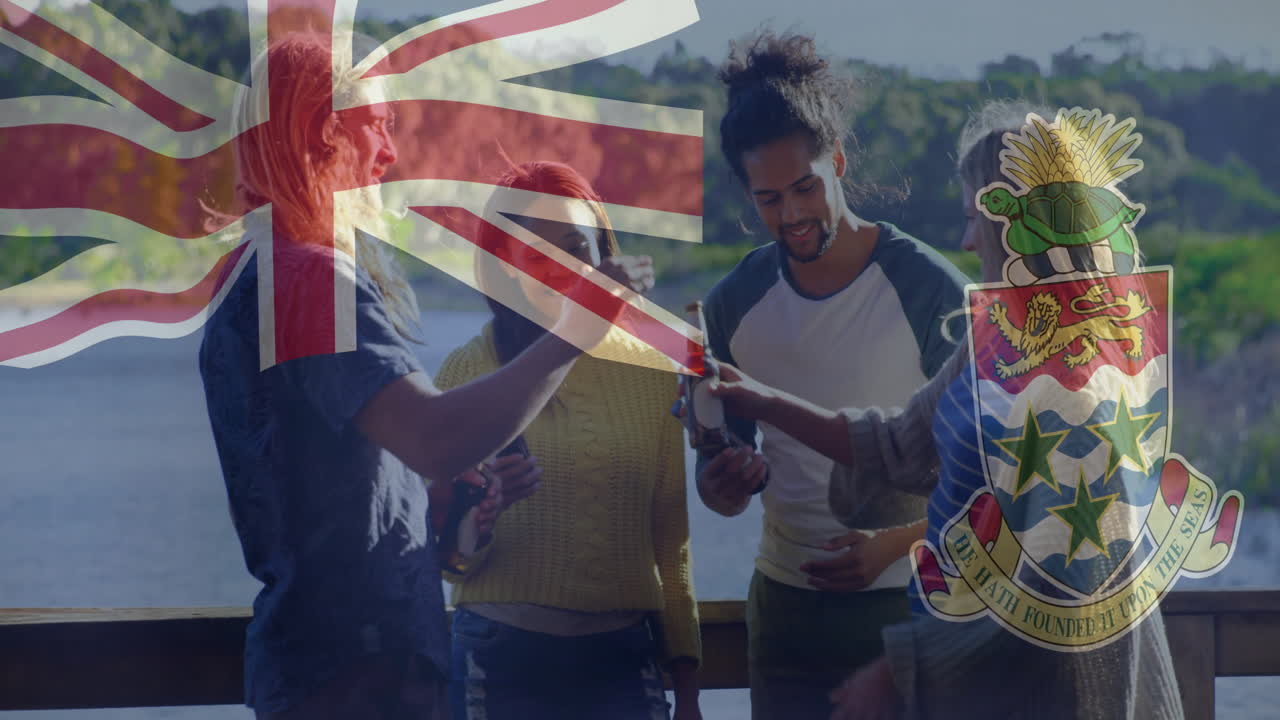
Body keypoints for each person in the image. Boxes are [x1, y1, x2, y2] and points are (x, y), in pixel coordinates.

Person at [198, 34, 650, 719]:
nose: (391, 152)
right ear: (324, 133)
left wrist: (435, 506)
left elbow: (331, 481)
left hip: (322, 662)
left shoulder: (255, 274)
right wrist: (574, 334)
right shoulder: (306, 280)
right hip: (356, 675)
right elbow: (434, 439)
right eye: (377, 126)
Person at [705, 100, 1184, 720]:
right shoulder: (995, 346)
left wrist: (897, 669)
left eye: (973, 218)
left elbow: (1049, 583)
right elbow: (902, 443)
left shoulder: (1078, 383)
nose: (962, 240)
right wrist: (756, 397)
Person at [698, 30, 969, 718]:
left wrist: (890, 547)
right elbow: (721, 479)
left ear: (839, 162)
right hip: (784, 619)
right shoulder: (732, 302)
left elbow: (992, 477)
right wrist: (723, 482)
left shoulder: (930, 288)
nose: (789, 214)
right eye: (767, 199)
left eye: (804, 188)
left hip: (913, 608)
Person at [434, 160, 702, 720]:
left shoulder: (652, 373)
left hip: (624, 664)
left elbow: (670, 541)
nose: (560, 268)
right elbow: (445, 562)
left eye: (576, 247)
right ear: (505, 267)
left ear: (603, 254)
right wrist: (480, 516)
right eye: (536, 253)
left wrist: (689, 688)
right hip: (498, 661)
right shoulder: (465, 372)